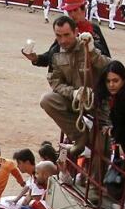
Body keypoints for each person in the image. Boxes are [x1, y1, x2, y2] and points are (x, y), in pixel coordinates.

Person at [39, 17, 111, 157]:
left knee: (101, 152)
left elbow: (110, 68)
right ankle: (80, 137)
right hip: (75, 102)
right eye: (58, 36)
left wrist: (92, 51)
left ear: (76, 31)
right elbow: (55, 82)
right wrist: (74, 93)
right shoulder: (56, 54)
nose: (63, 40)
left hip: (99, 104)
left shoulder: (88, 46)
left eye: (67, 35)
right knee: (47, 100)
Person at [23, 0, 111, 73]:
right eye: (69, 11)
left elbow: (106, 56)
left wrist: (89, 43)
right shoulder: (66, 30)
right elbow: (52, 54)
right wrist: (36, 58)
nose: (72, 15)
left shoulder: (94, 28)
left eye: (75, 10)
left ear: (83, 10)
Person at [96, 61, 125, 154]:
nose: (111, 85)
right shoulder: (108, 95)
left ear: (123, 80)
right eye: (108, 81)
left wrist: (114, 132)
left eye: (115, 81)